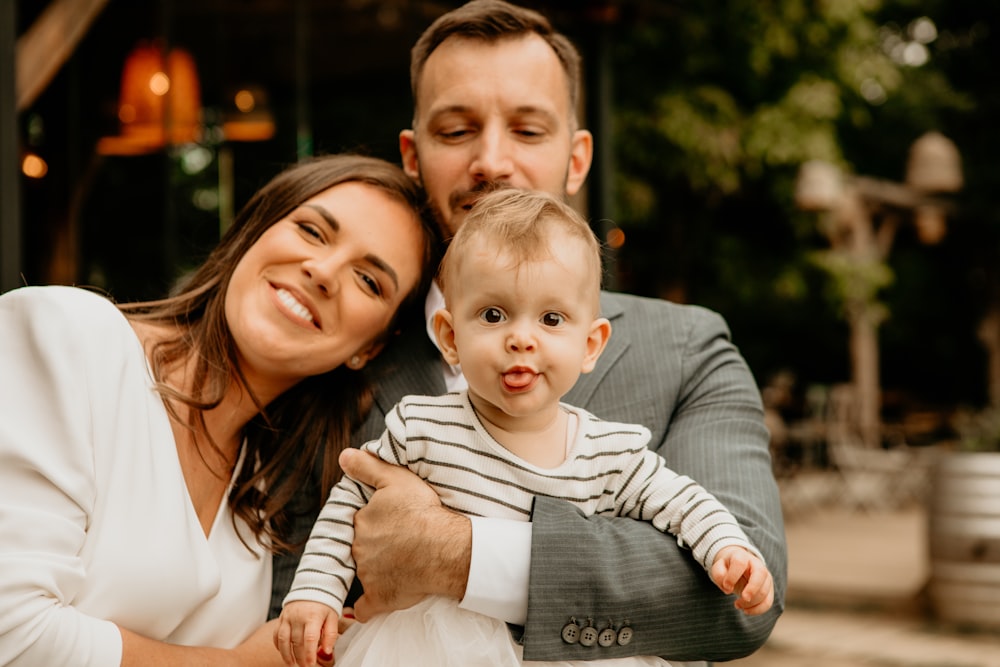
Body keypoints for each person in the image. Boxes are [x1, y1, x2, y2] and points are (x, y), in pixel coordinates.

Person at [271, 1, 788, 663]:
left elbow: (742, 602)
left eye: (528, 130)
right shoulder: (342, 346)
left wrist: (461, 556)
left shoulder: (688, 349)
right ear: (413, 155)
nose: (492, 160)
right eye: (456, 130)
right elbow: (286, 602)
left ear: (576, 159)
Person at [275, 189, 775, 667]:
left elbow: (681, 502)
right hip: (429, 647)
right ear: (451, 337)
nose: (521, 338)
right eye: (493, 314)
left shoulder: (609, 452)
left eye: (552, 318)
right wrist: (316, 592)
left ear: (590, 345)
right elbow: (350, 504)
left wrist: (727, 548)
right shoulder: (422, 427)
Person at [0, 153, 439, 667]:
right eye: (313, 232)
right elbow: (13, 630)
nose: (323, 271)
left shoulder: (268, 496)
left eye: (369, 281)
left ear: (370, 347)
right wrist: (238, 664)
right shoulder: (67, 337)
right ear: (254, 231)